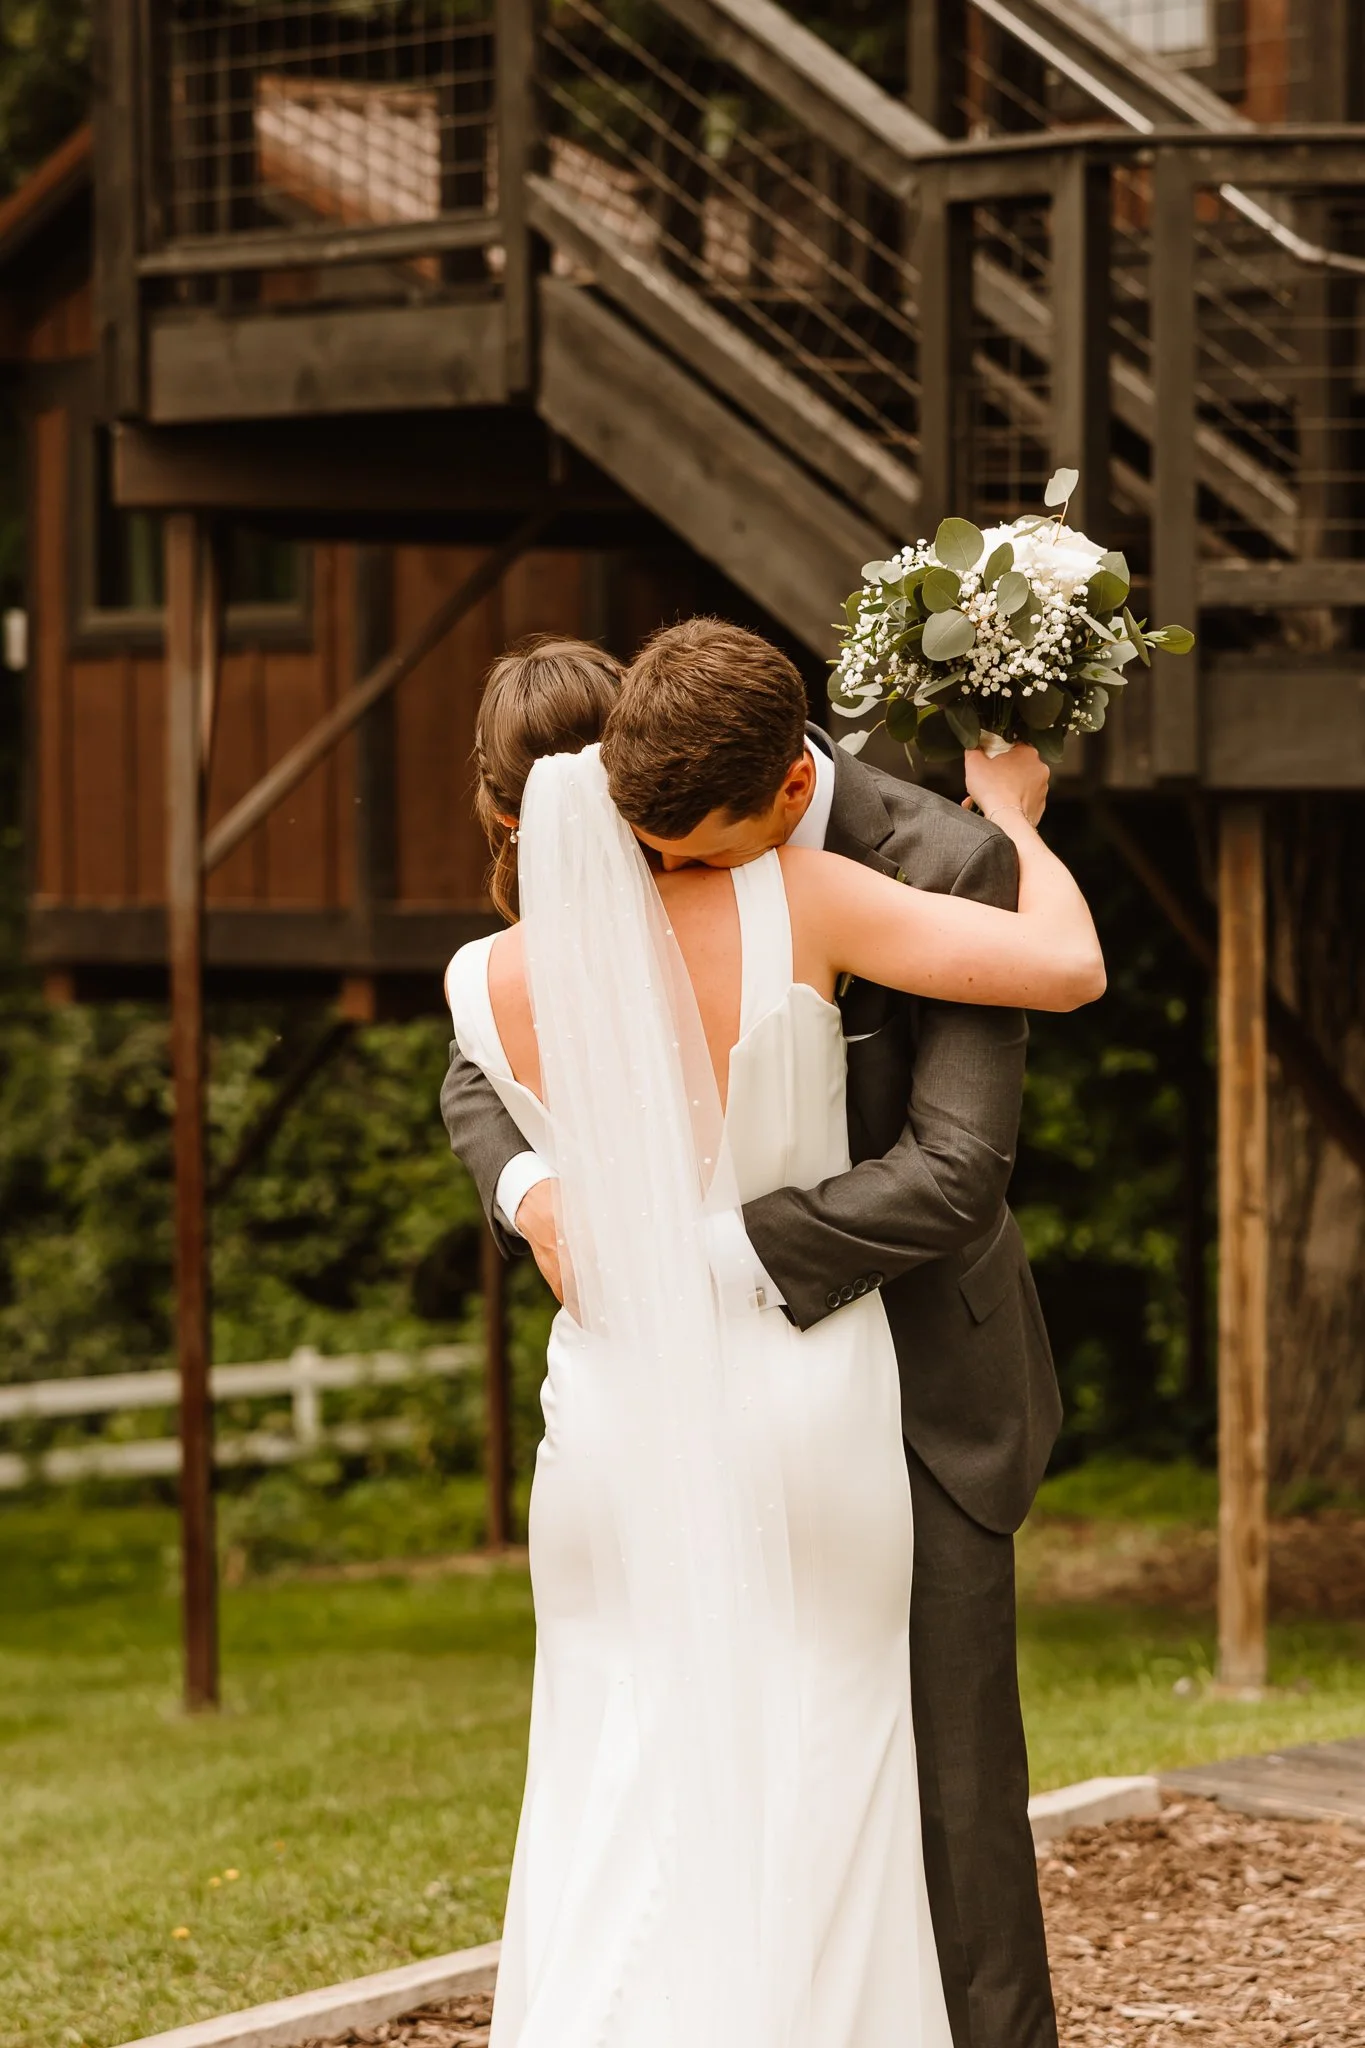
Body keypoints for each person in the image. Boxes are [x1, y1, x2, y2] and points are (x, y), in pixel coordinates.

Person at [443, 621, 1101, 2048]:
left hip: (817, 1379)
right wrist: (532, 1186)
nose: (663, 865)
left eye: (684, 844)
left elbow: (957, 1171)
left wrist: (692, 1259)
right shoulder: (761, 874)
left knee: (871, 1785)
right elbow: (477, 1084)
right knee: (780, 1763)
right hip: (795, 1398)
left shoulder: (901, 857)